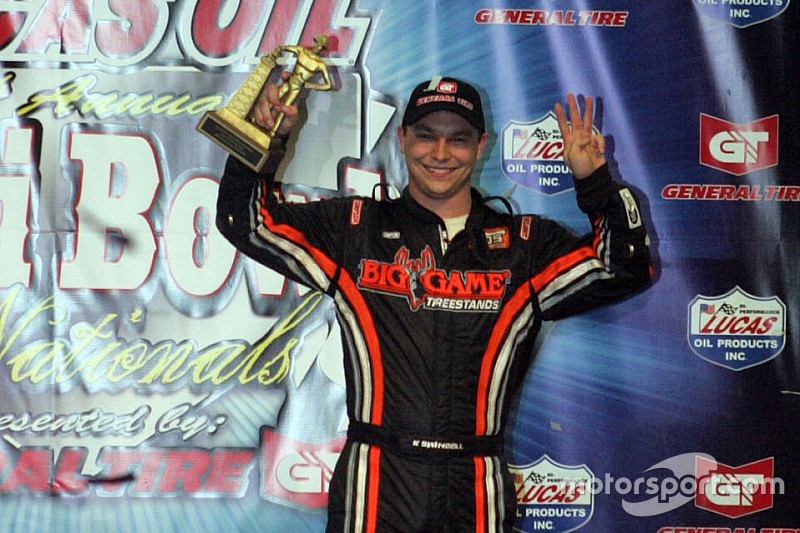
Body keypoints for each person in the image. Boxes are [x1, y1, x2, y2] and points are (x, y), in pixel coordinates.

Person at [216, 75, 651, 532]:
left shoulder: (525, 247)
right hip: (376, 489)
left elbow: (623, 266)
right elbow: (244, 221)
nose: (440, 154)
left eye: (457, 139)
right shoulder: (353, 231)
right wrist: (262, 138)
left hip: (476, 490)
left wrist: (596, 184)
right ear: (402, 139)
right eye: (426, 135)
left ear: (481, 145)